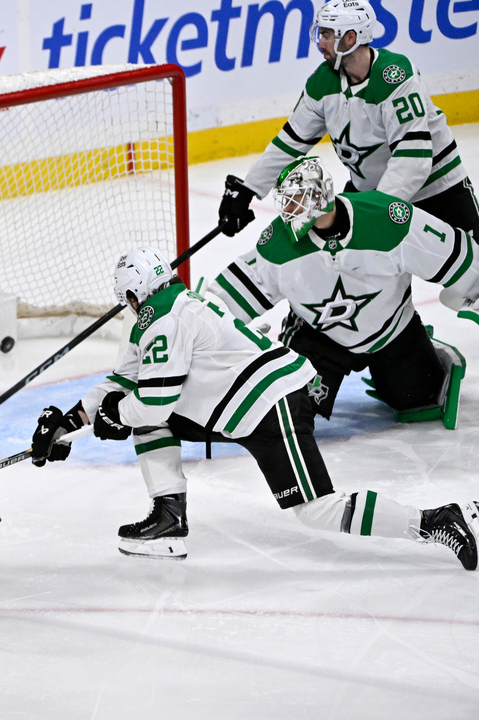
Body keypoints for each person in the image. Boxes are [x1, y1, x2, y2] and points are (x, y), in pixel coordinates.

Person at [30, 246, 479, 570]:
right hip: (246, 406)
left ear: (133, 294)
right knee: (149, 421)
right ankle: (169, 517)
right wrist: (70, 423)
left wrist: (116, 416)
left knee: (317, 509)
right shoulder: (170, 311)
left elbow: (153, 400)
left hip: (272, 403)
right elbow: (122, 382)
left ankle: (437, 520)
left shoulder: (165, 319)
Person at [210, 156, 478, 428]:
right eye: (285, 201)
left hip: (392, 329)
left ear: (318, 197)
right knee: (290, 411)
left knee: (419, 402)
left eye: (294, 200)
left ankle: (419, 351)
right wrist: (201, 325)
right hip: (320, 337)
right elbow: (236, 290)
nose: (287, 211)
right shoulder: (278, 244)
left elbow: (453, 255)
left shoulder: (385, 219)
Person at [217, 0, 479, 241]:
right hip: (370, 194)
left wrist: (374, 210)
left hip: (437, 186)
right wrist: (250, 188)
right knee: (366, 280)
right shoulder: (322, 83)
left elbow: (413, 160)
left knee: (476, 268)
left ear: (351, 38)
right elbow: (290, 142)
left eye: (327, 35)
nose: (320, 43)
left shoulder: (395, 77)